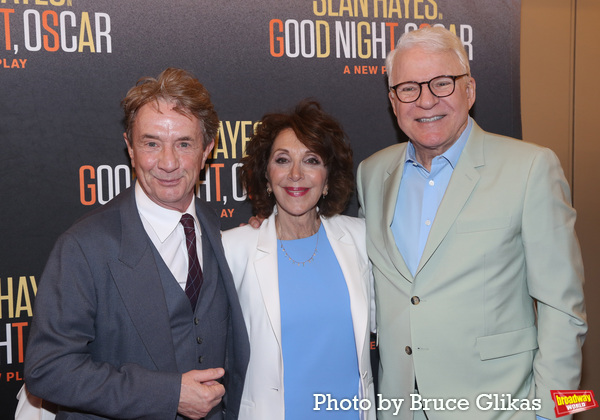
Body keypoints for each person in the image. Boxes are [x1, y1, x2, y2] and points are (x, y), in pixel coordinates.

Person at [356, 26, 587, 419]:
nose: (426, 100)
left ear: (470, 90)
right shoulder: (372, 174)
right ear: (393, 102)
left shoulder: (530, 168)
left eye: (442, 83)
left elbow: (563, 310)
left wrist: (554, 415)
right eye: (408, 88)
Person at [23, 67, 249, 420]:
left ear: (208, 150)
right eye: (151, 143)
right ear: (130, 148)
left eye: (184, 144)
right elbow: (48, 369)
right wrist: (168, 394)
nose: (168, 163)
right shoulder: (85, 246)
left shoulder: (216, 226)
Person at [222, 100, 376, 420]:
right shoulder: (234, 250)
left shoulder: (362, 238)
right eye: (282, 160)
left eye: (311, 160)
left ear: (328, 178)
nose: (296, 174)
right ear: (266, 176)